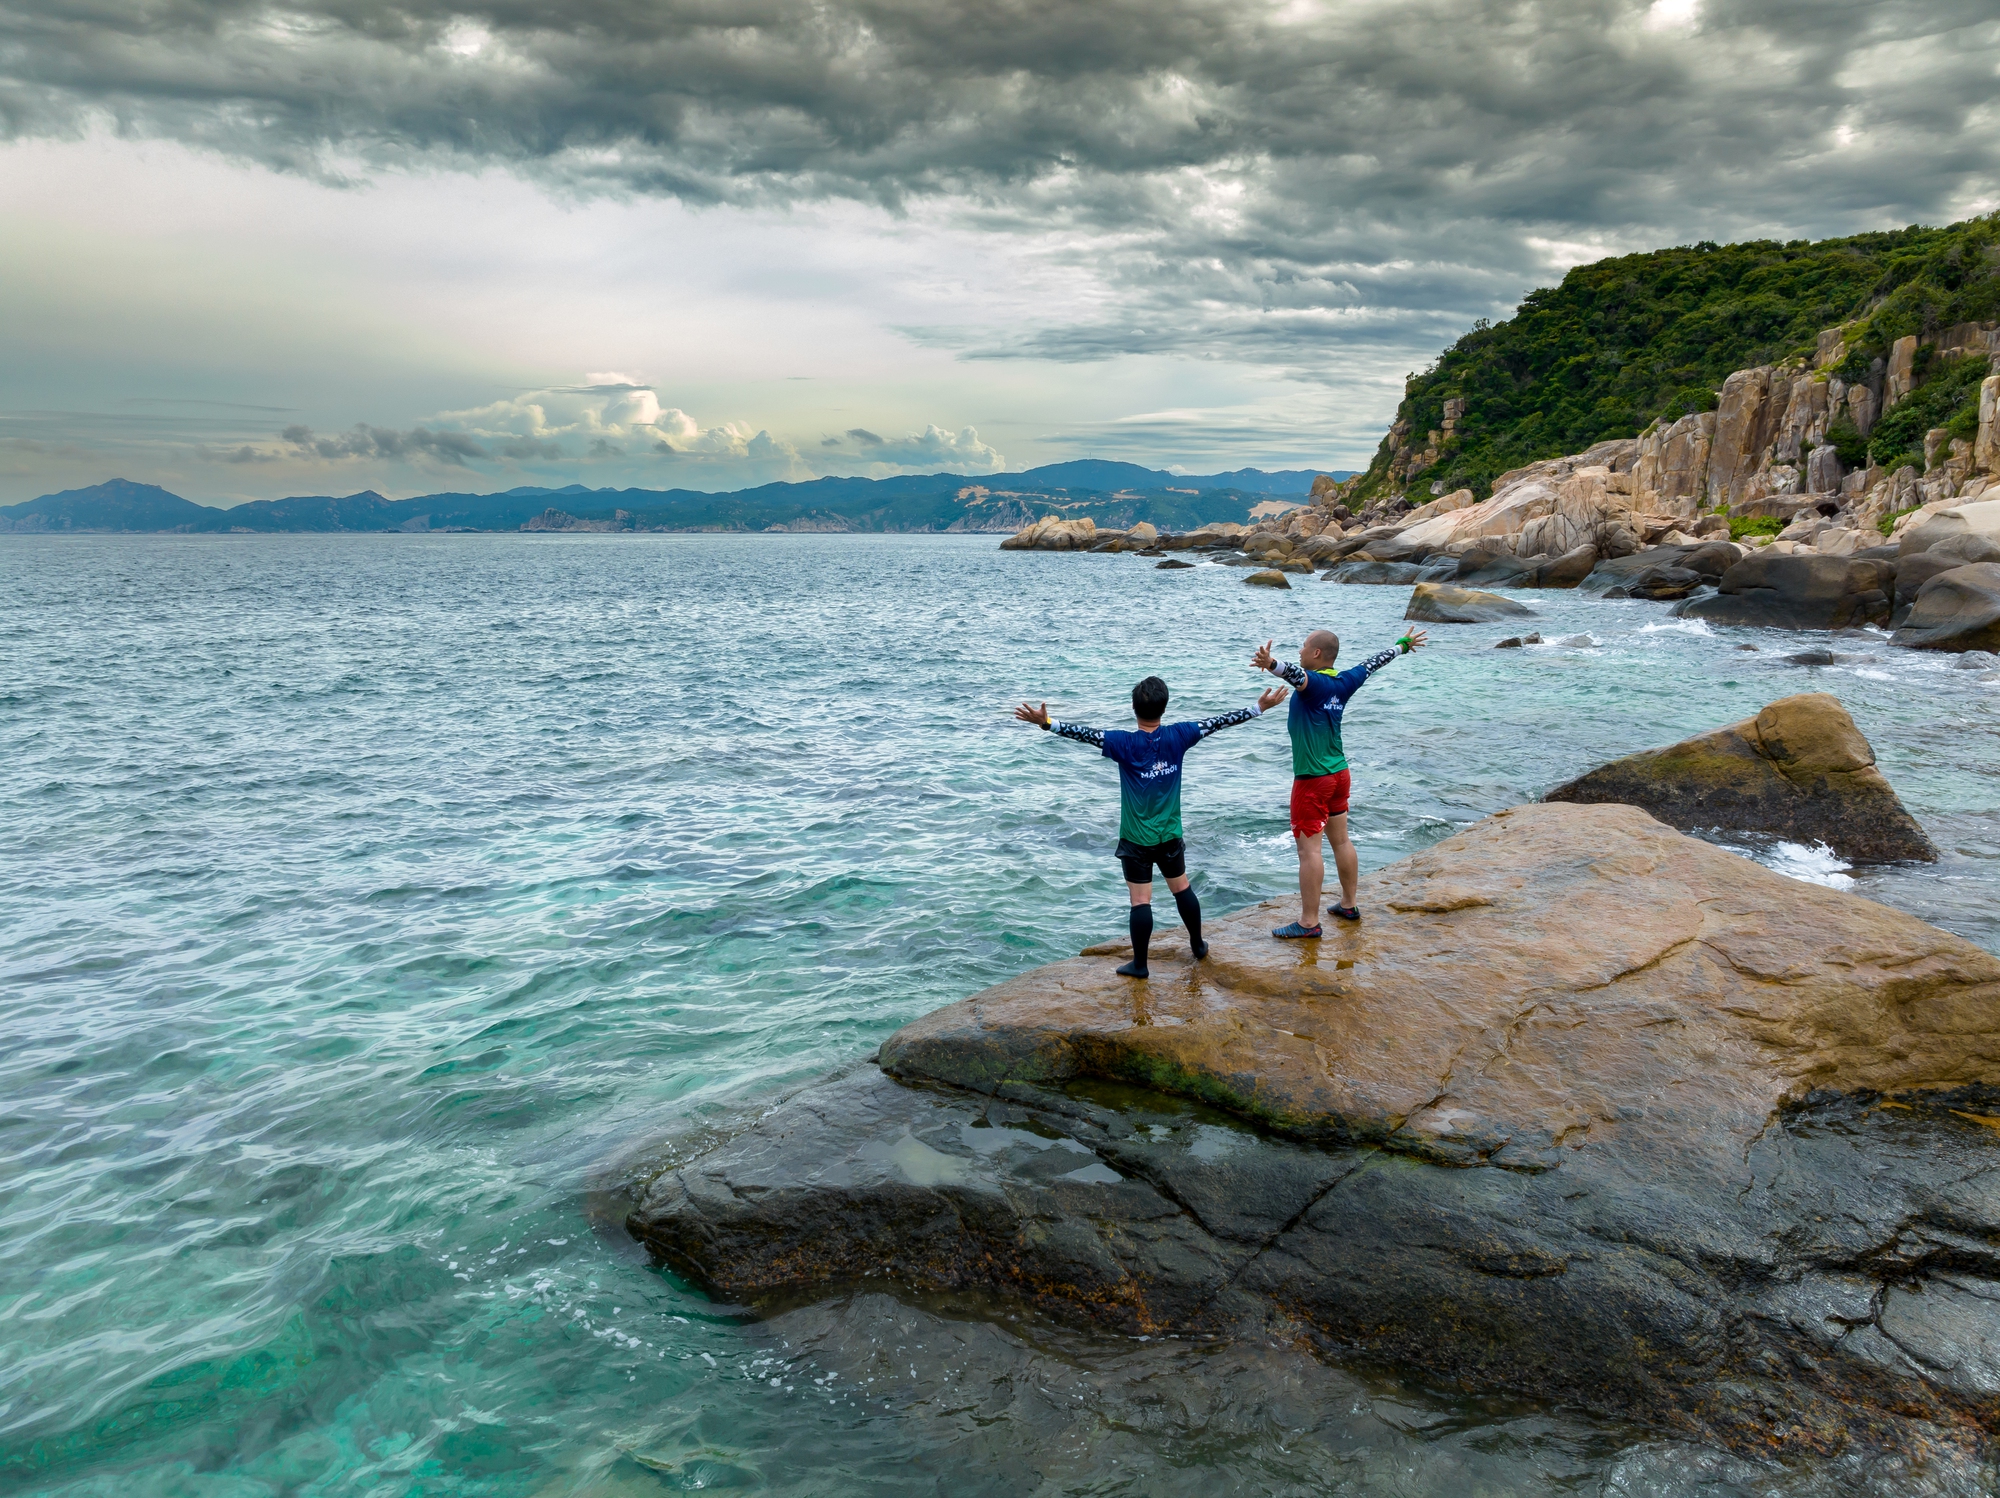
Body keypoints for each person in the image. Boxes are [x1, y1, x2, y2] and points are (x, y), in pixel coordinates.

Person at [1015, 675, 1289, 979]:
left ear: (1134, 709)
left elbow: (1085, 734)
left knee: (1140, 901)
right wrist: (1258, 707)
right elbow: (1218, 722)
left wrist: (1047, 723)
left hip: (1136, 838)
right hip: (1169, 833)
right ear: (1164, 707)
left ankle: (1141, 965)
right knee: (1182, 888)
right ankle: (1198, 945)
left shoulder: (1123, 742)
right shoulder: (1180, 735)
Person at [1251, 627, 1427, 938]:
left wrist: (1272, 663)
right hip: (1339, 774)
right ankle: (1348, 904)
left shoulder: (1315, 682)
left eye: (1305, 646)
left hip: (1313, 779)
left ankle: (1308, 922)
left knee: (1309, 852)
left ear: (1316, 654)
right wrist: (1401, 645)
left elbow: (1294, 675)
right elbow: (1374, 662)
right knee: (1341, 841)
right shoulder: (1345, 681)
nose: (1301, 651)